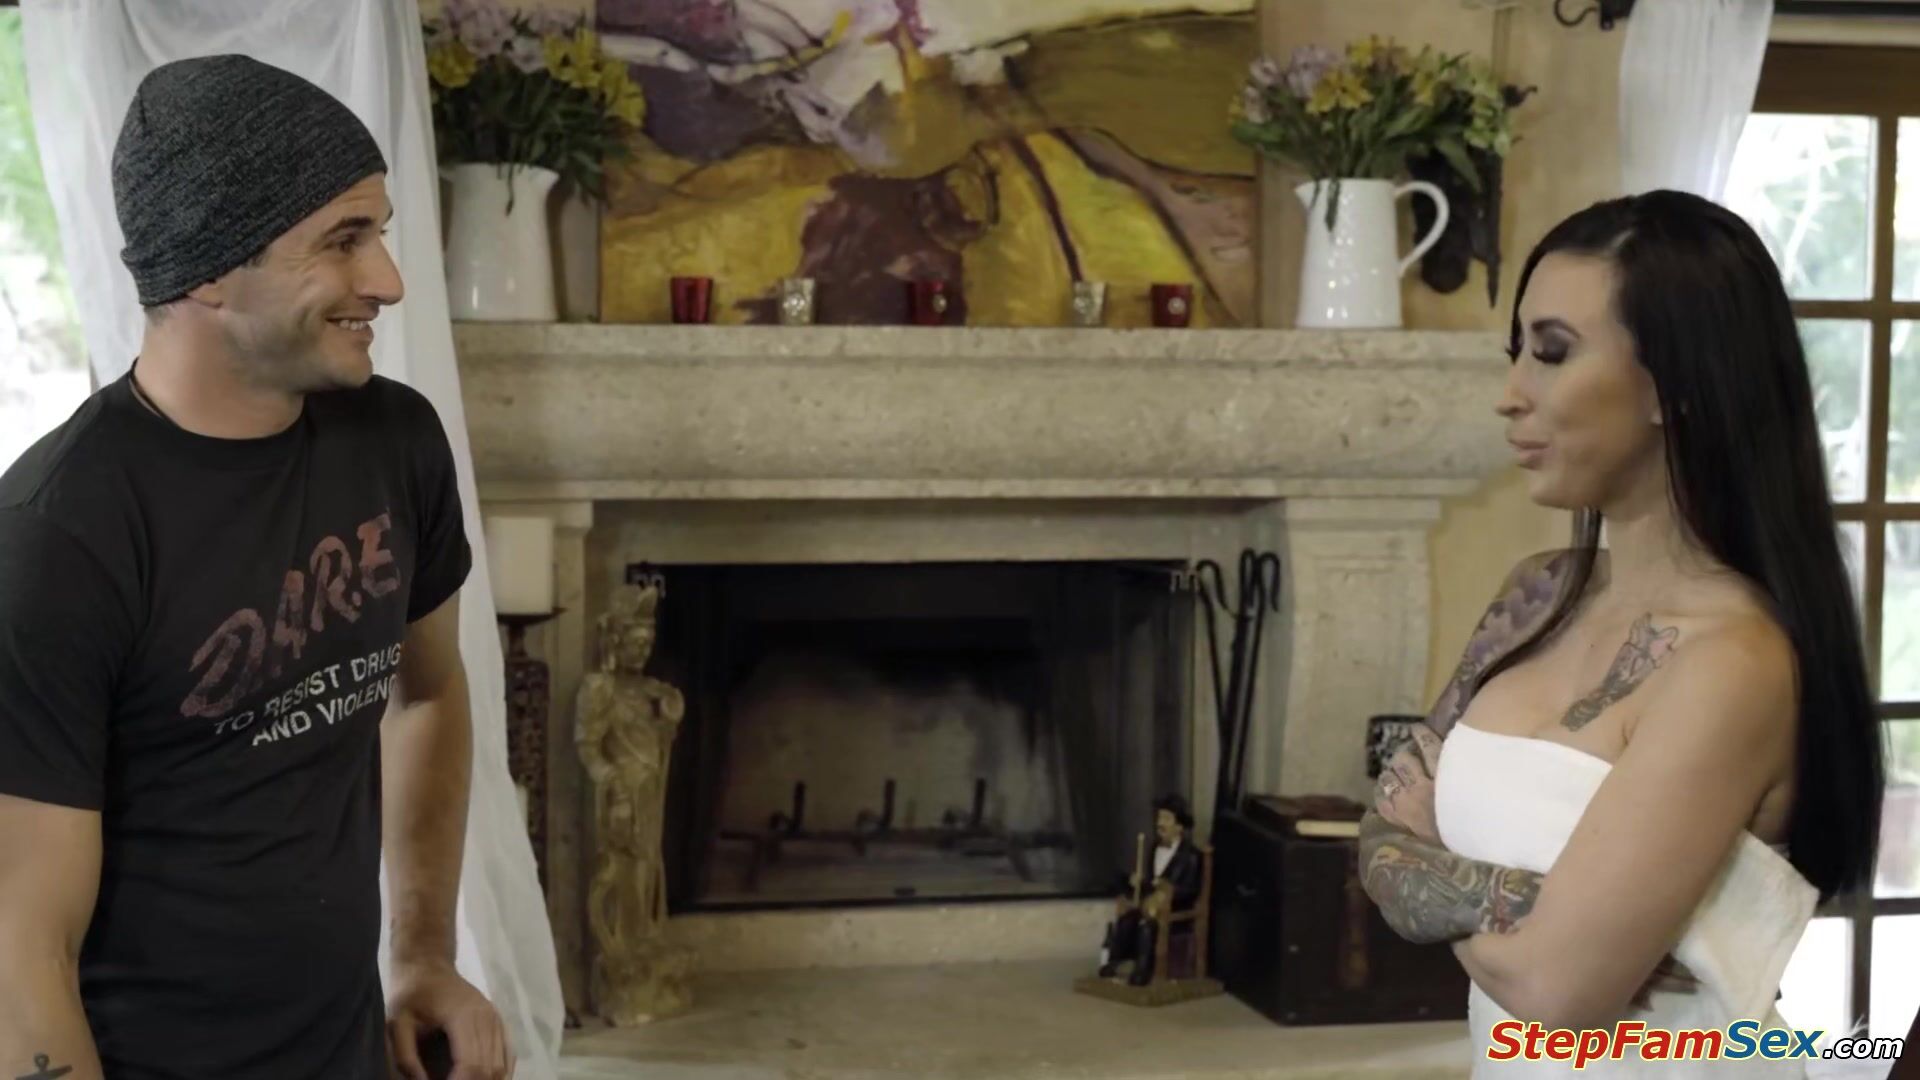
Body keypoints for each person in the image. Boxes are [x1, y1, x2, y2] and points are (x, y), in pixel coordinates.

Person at [0, 56, 513, 1079]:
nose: (389, 281)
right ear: (208, 269)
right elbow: (21, 953)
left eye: (379, 232)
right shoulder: (57, 539)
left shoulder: (395, 441)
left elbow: (425, 694)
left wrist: (422, 955)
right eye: (344, 240)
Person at [1359, 191, 1883, 1075]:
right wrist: (1530, 902)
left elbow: (1559, 990)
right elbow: (1378, 831)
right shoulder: (1536, 595)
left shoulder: (1733, 663)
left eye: (1553, 353)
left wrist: (1438, 867)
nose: (1510, 395)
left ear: (1676, 386)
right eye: (1516, 352)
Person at [1098, 794, 1204, 987]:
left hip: (1175, 912)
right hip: (1151, 905)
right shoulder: (1154, 847)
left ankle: (1142, 971)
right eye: (1159, 818)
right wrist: (1139, 881)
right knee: (1127, 919)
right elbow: (1150, 881)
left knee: (1147, 926)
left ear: (1179, 826)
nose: (1160, 823)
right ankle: (1116, 963)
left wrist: (1166, 893)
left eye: (1167, 819)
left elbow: (1190, 890)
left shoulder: (1191, 856)